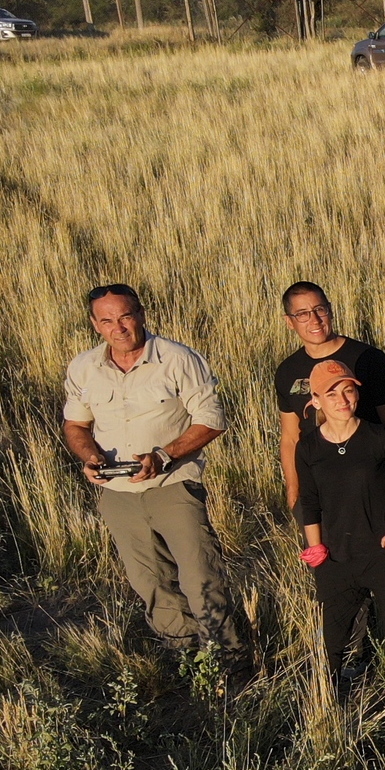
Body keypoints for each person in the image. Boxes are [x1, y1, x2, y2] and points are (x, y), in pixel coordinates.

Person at [62, 283, 244, 662]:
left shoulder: (178, 359)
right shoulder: (84, 367)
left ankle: (228, 659)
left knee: (200, 575)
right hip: (118, 494)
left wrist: (163, 456)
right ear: (95, 324)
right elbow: (76, 425)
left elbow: (211, 419)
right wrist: (90, 457)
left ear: (141, 315)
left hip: (174, 486)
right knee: (150, 581)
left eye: (125, 316)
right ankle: (184, 657)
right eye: (107, 321)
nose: (118, 328)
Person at [295, 359, 385, 684]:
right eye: (331, 394)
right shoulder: (307, 447)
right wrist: (316, 549)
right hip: (337, 558)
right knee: (332, 644)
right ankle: (329, 706)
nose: (343, 400)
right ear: (316, 401)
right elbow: (309, 502)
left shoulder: (379, 437)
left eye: (348, 390)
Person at [274, 281, 385, 512]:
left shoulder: (370, 360)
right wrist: (294, 493)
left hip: (368, 488)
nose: (314, 320)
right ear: (289, 321)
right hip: (316, 492)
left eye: (319, 309)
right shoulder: (287, 371)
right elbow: (290, 438)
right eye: (302, 314)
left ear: (330, 310)